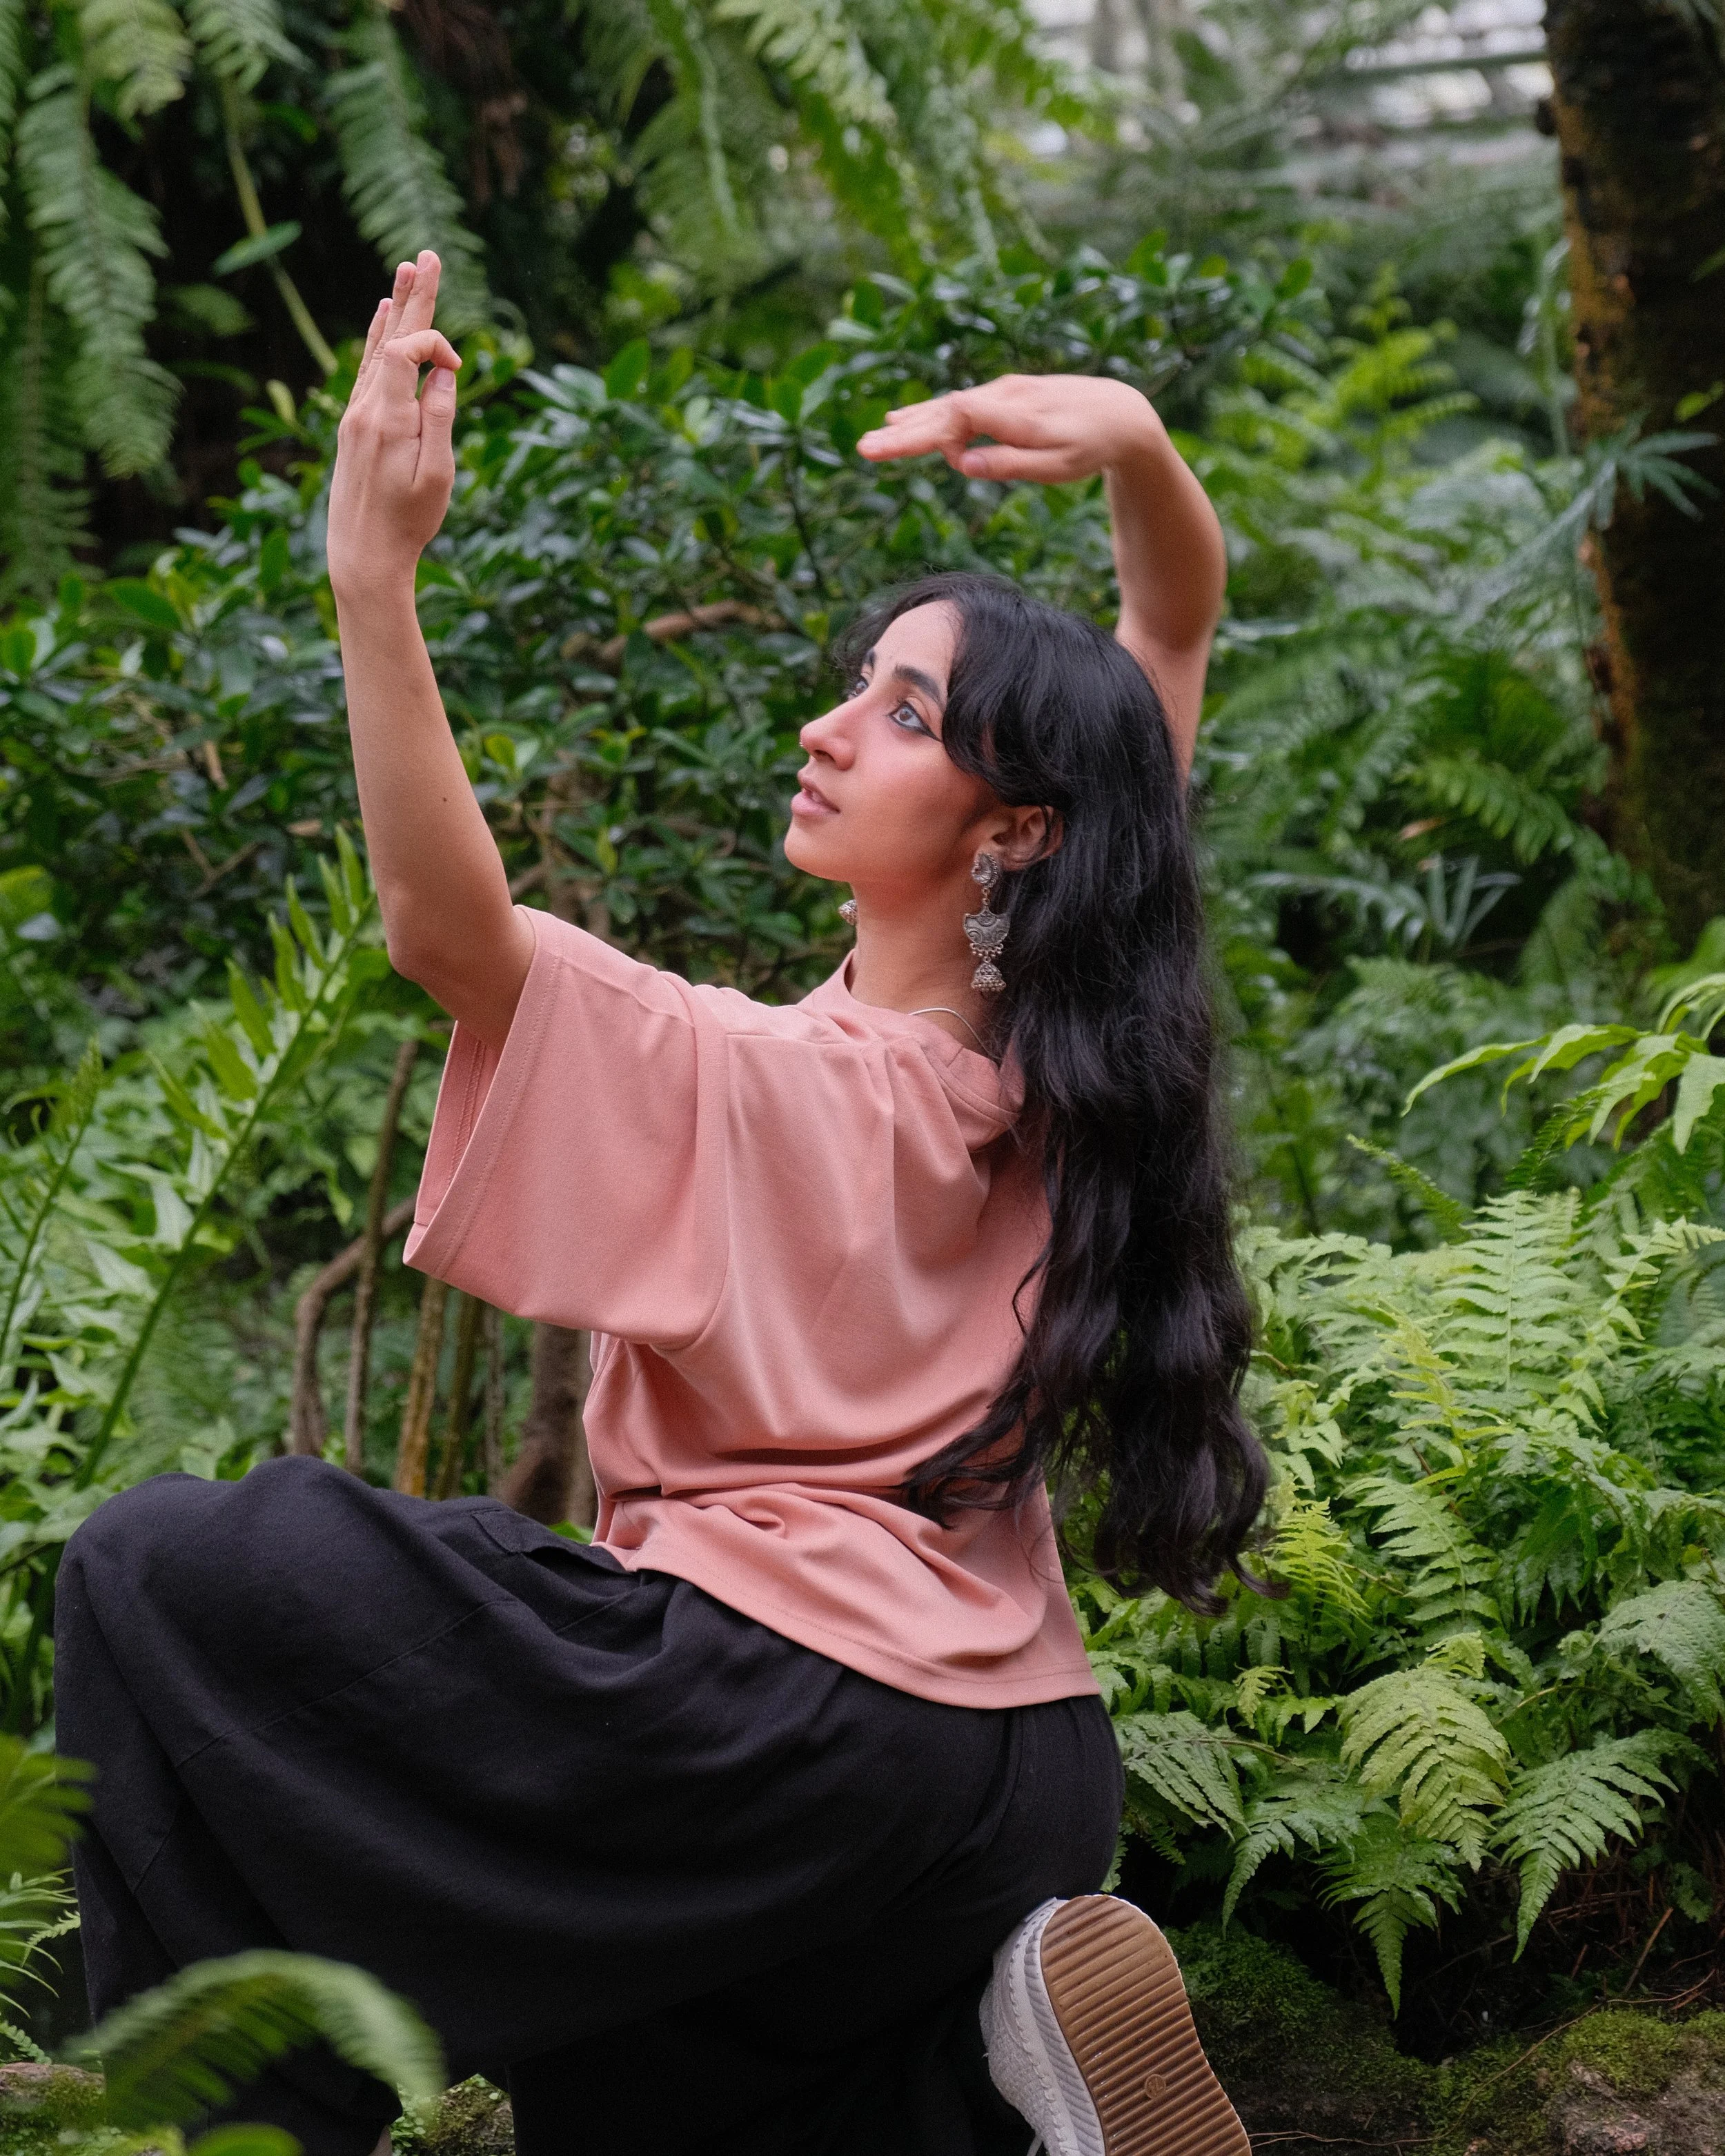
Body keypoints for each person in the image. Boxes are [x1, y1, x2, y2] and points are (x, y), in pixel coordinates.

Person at [54, 248, 1270, 2156]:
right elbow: (1169, 641)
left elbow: (439, 928)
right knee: (677, 2087)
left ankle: (181, 2120)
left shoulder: (776, 1080)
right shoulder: (1075, 1058)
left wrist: (373, 576)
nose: (826, 726)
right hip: (1011, 1774)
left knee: (172, 1565)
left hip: (773, 1723)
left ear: (1011, 827)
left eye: (899, 712)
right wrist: (1135, 452)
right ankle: (996, 2102)